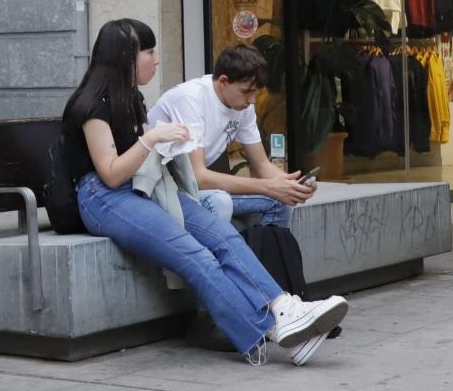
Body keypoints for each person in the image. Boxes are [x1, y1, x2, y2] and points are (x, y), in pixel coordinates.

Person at [63, 19, 349, 366]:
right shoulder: (90, 104)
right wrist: (151, 138)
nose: (156, 60)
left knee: (224, 237)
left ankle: (285, 308)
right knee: (196, 256)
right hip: (103, 198)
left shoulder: (131, 98)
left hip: (145, 186)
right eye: (149, 51)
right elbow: (109, 174)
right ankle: (274, 331)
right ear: (125, 56)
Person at [149, 45, 312, 231]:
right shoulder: (190, 98)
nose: (252, 101)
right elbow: (198, 177)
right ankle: (219, 260)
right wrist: (268, 187)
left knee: (282, 200)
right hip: (164, 190)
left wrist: (293, 186)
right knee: (219, 202)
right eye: (246, 92)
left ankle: (266, 258)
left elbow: (262, 165)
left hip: (192, 189)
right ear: (223, 81)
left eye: (255, 93)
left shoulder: (243, 106)